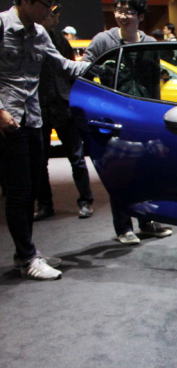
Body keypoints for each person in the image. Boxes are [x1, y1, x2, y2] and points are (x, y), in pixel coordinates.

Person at [0, 0, 91, 280]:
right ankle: (27, 257)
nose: (48, 12)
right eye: (44, 4)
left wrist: (98, 65)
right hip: (8, 122)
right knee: (18, 192)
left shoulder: (40, 32)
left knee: (31, 190)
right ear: (25, 1)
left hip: (34, 118)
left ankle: (26, 254)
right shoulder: (2, 24)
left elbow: (63, 65)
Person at [82, 0, 173, 245]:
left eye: (129, 12)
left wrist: (156, 112)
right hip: (115, 114)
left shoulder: (149, 43)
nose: (123, 16)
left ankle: (147, 221)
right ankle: (123, 227)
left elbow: (154, 79)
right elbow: (85, 70)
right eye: (119, 11)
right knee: (119, 171)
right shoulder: (103, 40)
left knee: (146, 169)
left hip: (143, 113)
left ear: (140, 17)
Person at [35, 3, 94, 221]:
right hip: (40, 105)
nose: (55, 19)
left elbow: (71, 70)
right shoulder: (31, 37)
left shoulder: (60, 40)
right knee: (40, 161)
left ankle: (86, 201)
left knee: (76, 157)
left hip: (63, 104)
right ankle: (45, 204)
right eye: (53, 15)